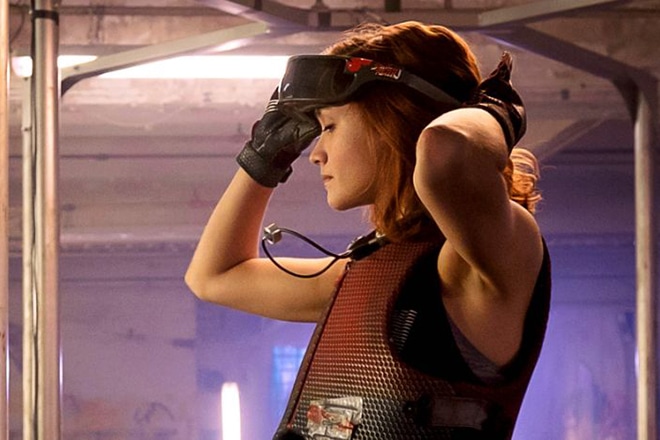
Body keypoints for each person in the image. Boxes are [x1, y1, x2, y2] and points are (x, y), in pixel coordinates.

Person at [185, 20, 551, 440]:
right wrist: (263, 159)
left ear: (391, 118)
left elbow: (445, 152)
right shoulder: (369, 274)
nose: (315, 153)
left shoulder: (489, 257)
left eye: (330, 126)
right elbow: (213, 276)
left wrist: (496, 113)